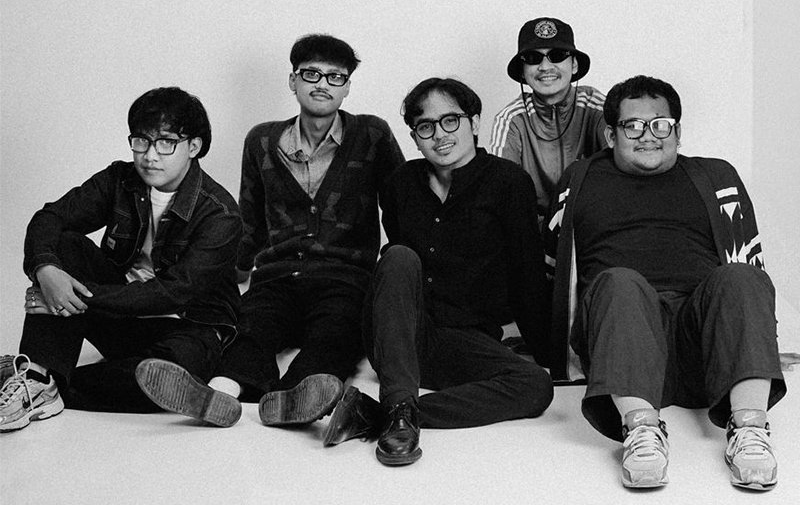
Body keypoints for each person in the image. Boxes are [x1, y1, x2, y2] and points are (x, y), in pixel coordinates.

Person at [135, 34, 405, 428]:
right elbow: (249, 220)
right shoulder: (261, 140)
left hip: (345, 277)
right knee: (251, 328)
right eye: (311, 74)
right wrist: (230, 275)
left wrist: (400, 277)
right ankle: (218, 394)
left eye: (335, 77)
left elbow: (401, 206)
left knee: (336, 333)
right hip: (277, 275)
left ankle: (295, 397)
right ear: (293, 81)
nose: (322, 84)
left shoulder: (371, 135)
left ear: (347, 87)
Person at [542, 75, 786, 489]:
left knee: (743, 277)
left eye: (660, 124)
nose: (648, 136)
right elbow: (552, 268)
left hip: (702, 342)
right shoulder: (580, 179)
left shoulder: (716, 176)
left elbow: (749, 263)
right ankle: (641, 431)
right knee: (619, 281)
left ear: (677, 131)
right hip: (622, 337)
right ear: (610, 134)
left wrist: (760, 345)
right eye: (633, 126)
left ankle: (749, 429)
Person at [322, 78, 553, 466]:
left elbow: (526, 274)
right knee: (398, 256)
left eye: (450, 121)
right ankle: (399, 403)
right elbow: (396, 278)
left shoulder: (508, 182)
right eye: (425, 127)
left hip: (462, 341)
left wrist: (550, 353)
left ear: (474, 123)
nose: (440, 135)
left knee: (536, 387)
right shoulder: (400, 183)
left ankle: (386, 414)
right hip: (398, 334)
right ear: (415, 138)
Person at [0, 87, 241, 432]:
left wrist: (72, 296)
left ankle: (40, 378)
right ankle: (38, 377)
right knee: (65, 244)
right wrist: (46, 270)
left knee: (167, 373)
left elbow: (173, 292)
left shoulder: (220, 214)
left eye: (166, 143)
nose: (150, 156)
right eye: (141, 141)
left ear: (194, 146)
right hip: (121, 318)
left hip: (189, 327)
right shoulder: (119, 180)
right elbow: (50, 217)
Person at [489, 17, 606, 225]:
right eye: (533, 58)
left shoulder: (597, 107)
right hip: (533, 230)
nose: (545, 67)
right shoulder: (510, 119)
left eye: (557, 56)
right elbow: (501, 192)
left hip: (593, 225)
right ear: (522, 71)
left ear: (574, 64)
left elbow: (623, 171)